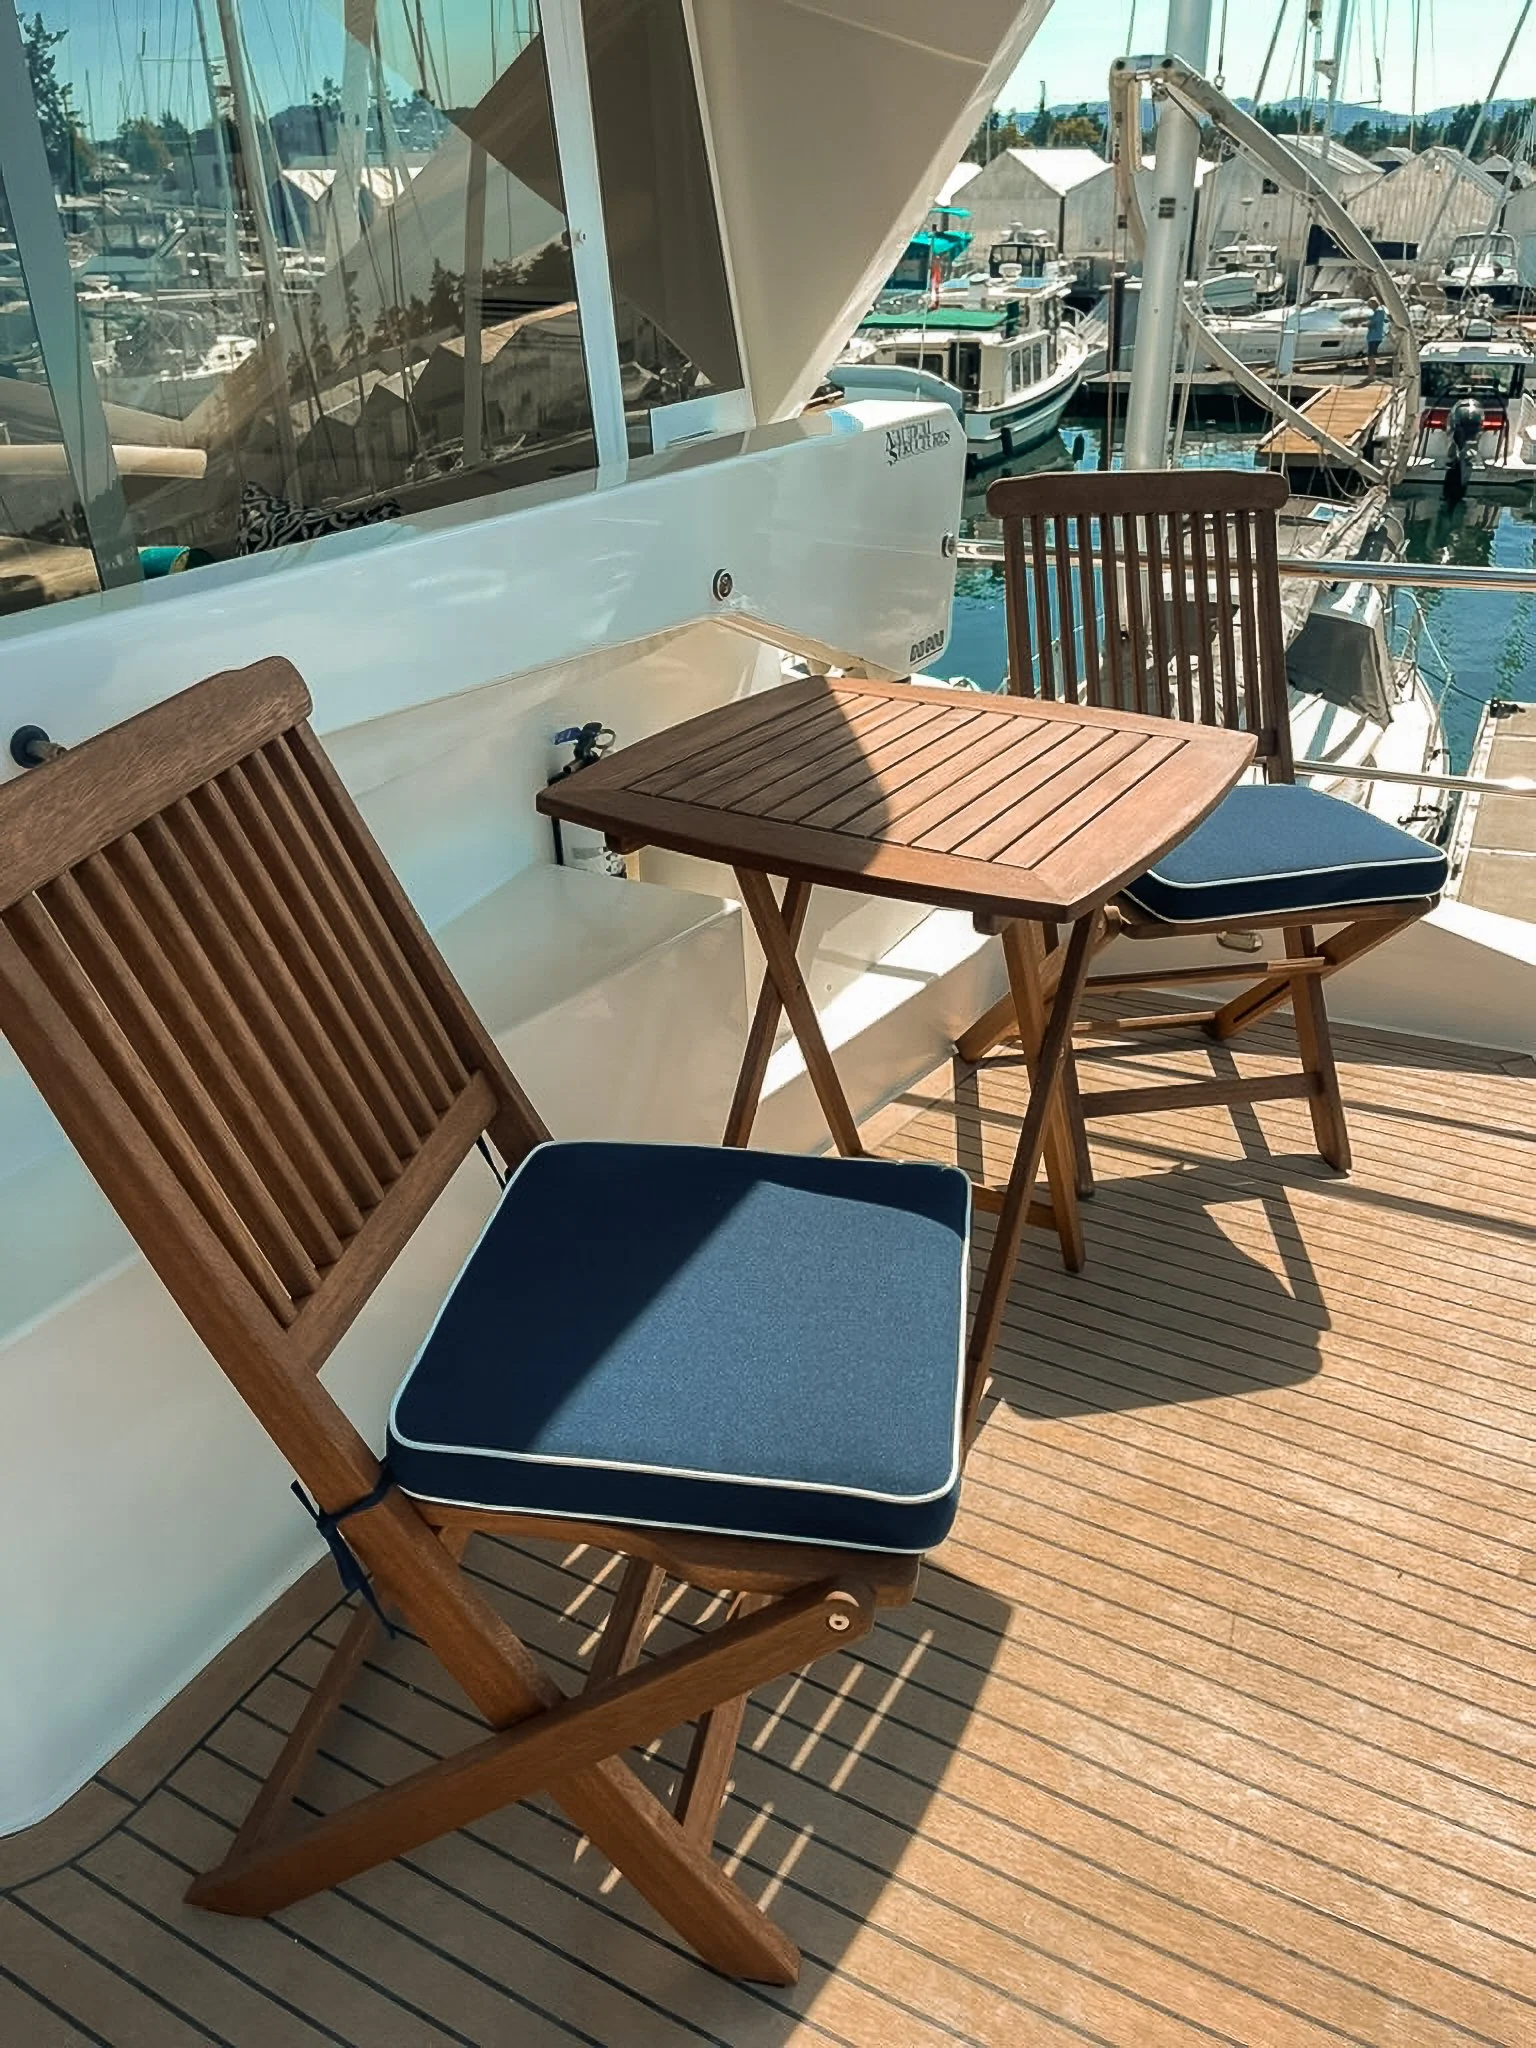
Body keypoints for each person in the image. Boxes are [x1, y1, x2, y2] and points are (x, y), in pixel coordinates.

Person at [1366, 298, 1388, 376]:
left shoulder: (1379, 312)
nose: (1368, 306)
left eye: (1370, 304)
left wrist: (1366, 324)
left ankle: (1371, 375)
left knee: (1371, 357)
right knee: (1370, 357)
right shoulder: (1376, 312)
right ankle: (1371, 374)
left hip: (1375, 337)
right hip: (1372, 337)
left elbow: (1373, 323)